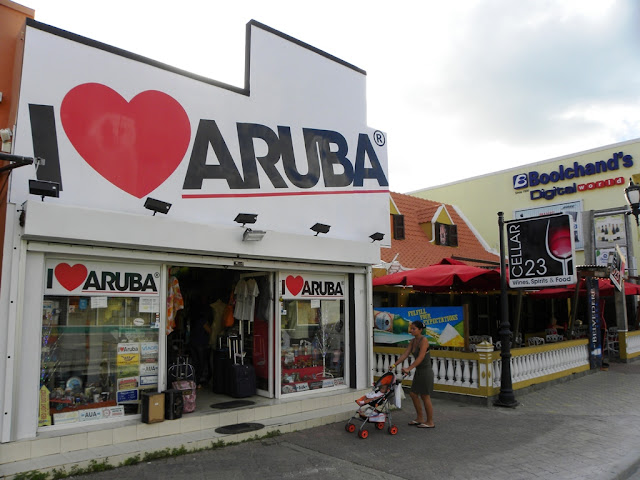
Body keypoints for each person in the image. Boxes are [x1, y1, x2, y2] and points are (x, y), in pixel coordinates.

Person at [390, 320, 435, 428]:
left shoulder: (424, 340)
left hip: (426, 371)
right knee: (413, 394)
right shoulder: (413, 341)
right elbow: (405, 354)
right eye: (411, 328)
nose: (411, 330)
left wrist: (409, 368)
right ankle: (420, 418)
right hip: (419, 371)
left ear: (420, 330)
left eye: (414, 329)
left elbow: (420, 357)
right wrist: (394, 365)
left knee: (425, 396)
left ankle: (430, 422)